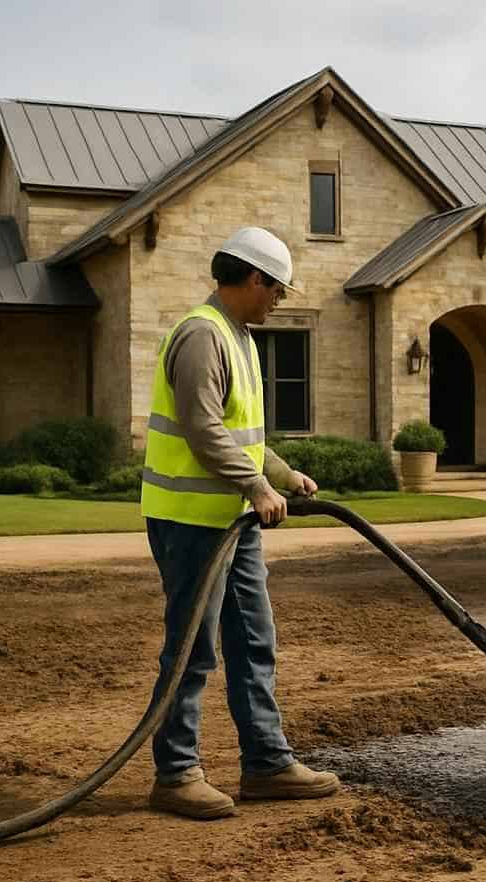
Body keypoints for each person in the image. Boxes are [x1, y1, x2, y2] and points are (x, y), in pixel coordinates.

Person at [140, 226, 339, 820]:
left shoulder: (241, 338)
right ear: (253, 279)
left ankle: (266, 763)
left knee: (254, 640)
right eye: (276, 289)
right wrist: (255, 485)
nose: (279, 299)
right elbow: (203, 430)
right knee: (192, 649)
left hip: (234, 520)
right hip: (192, 521)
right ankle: (175, 774)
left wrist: (281, 472)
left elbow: (242, 435)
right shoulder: (202, 336)